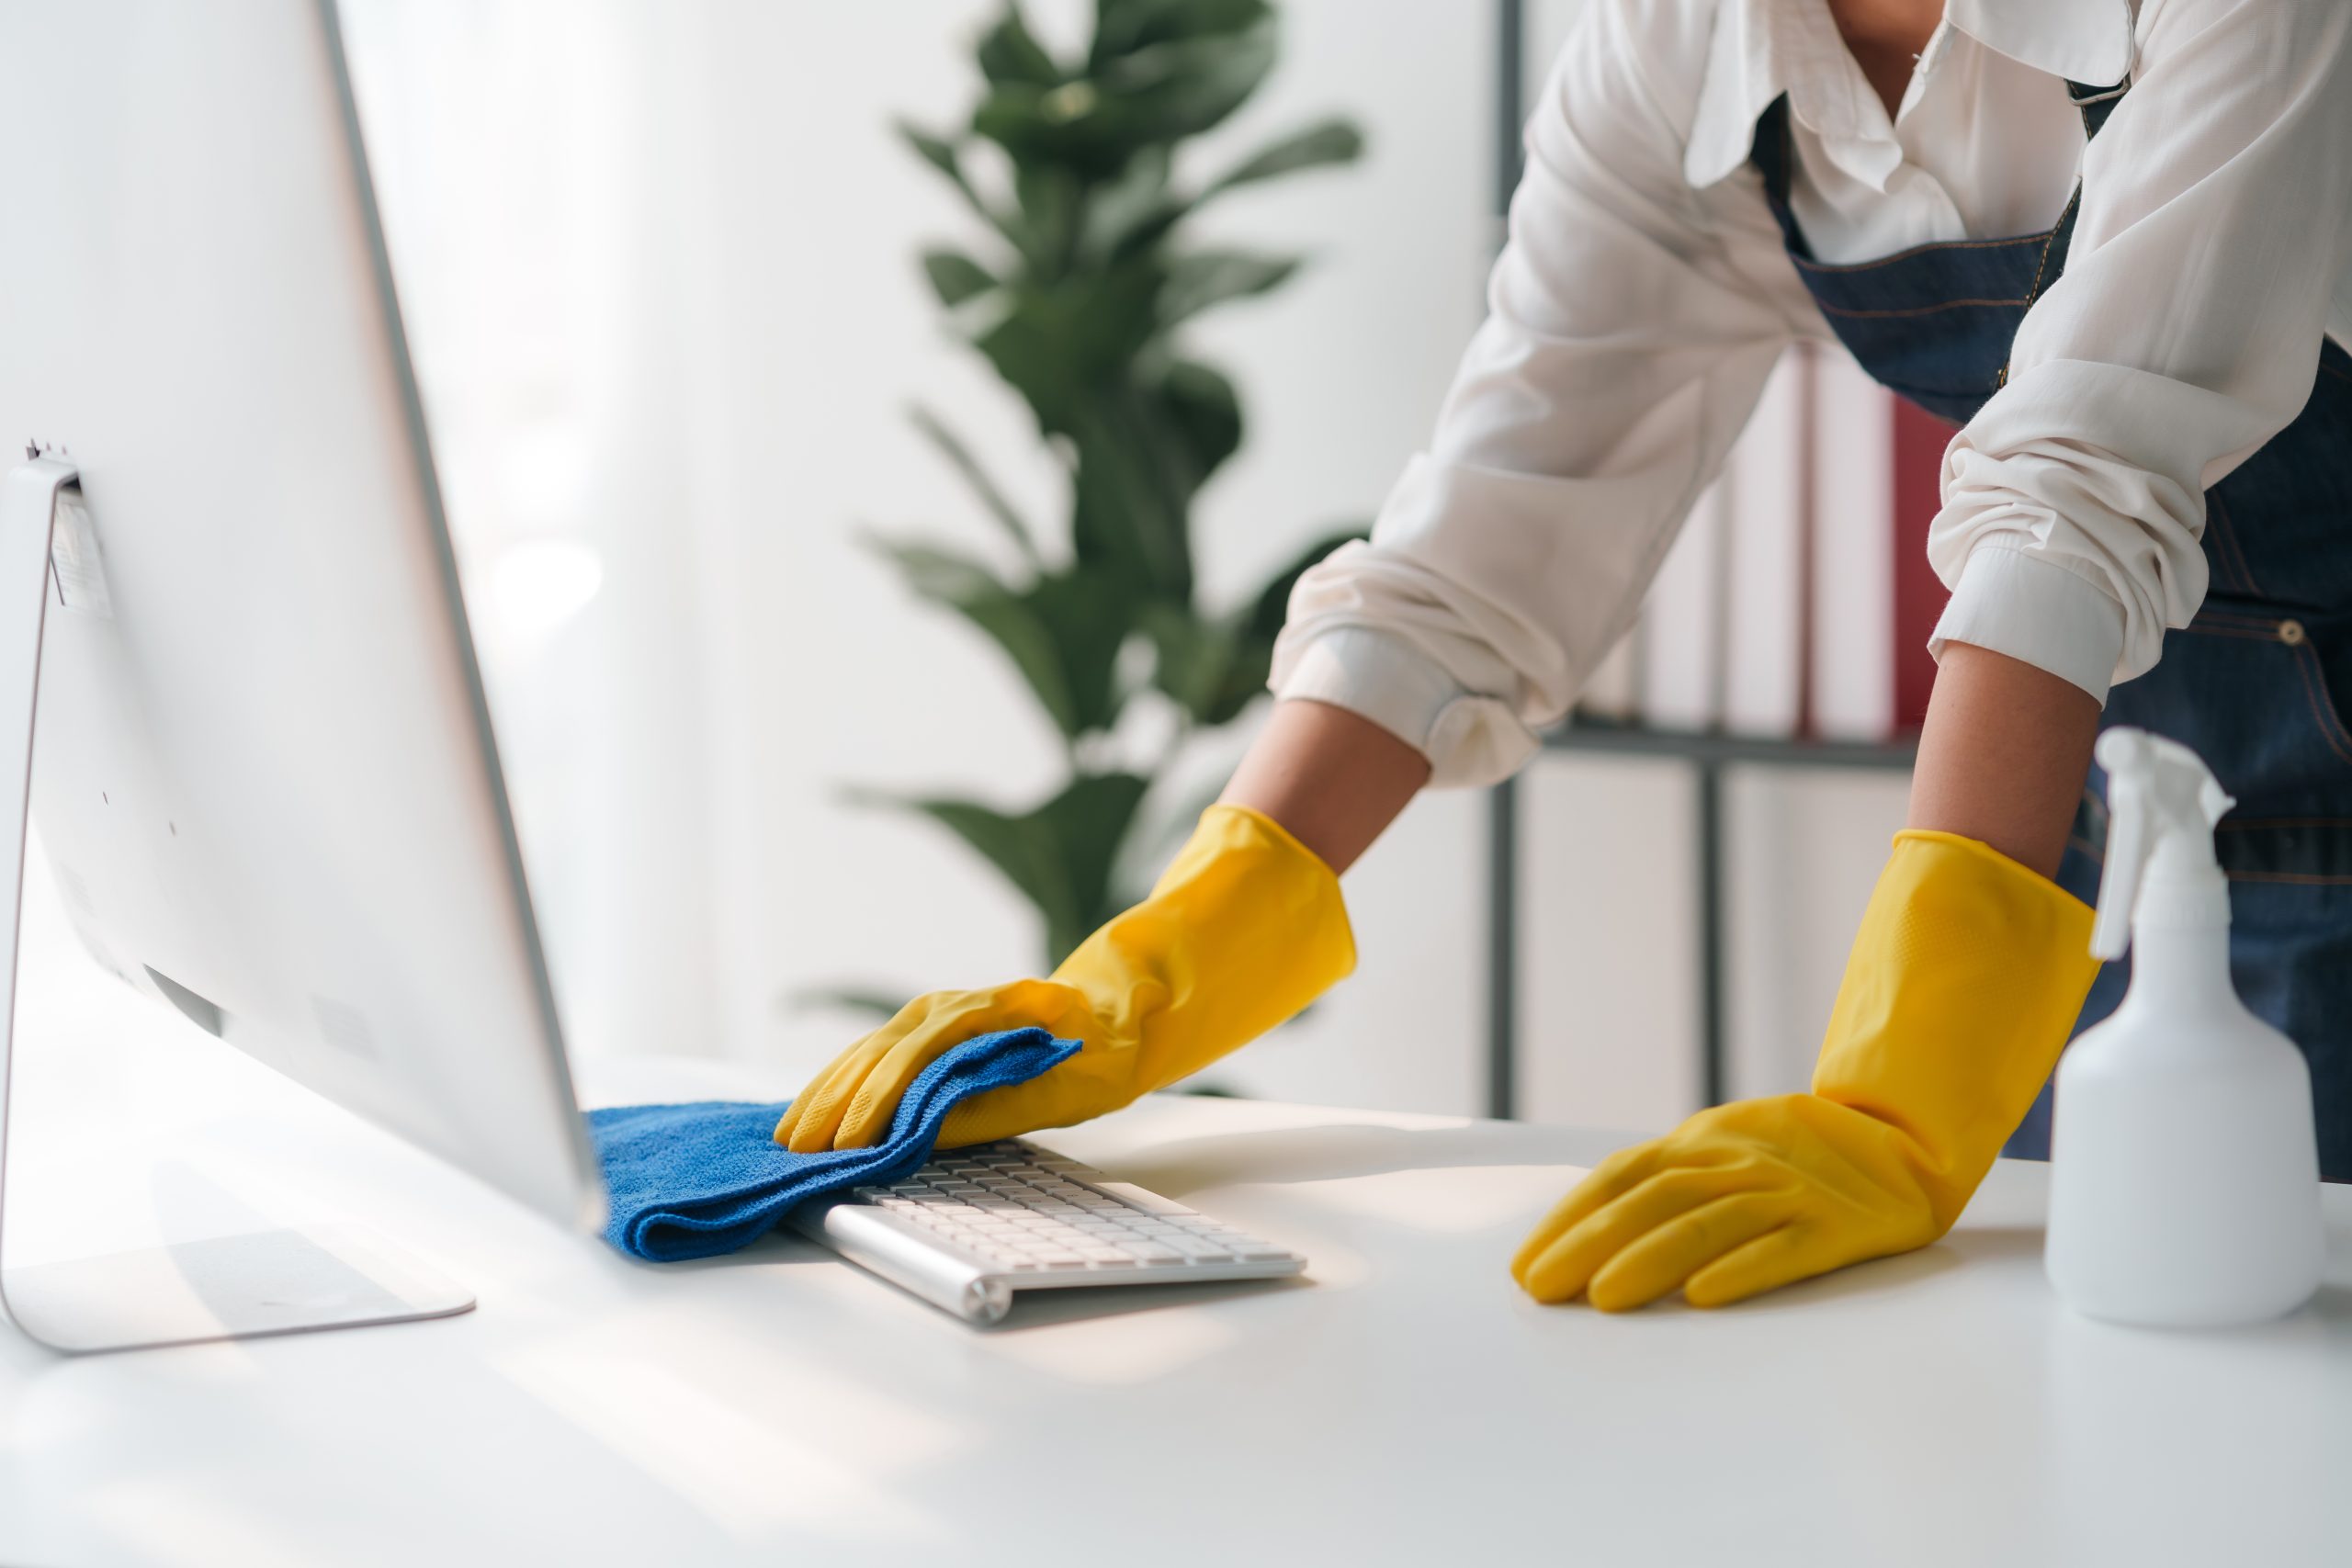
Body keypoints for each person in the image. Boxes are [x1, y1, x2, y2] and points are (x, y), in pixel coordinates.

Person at [780, 0, 2352, 1311]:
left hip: (2080, 879)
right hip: (2149, 870)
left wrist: (1902, 1074)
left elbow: (2085, 476)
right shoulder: (1686, 46)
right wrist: (1176, 950)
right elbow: (1495, 531)